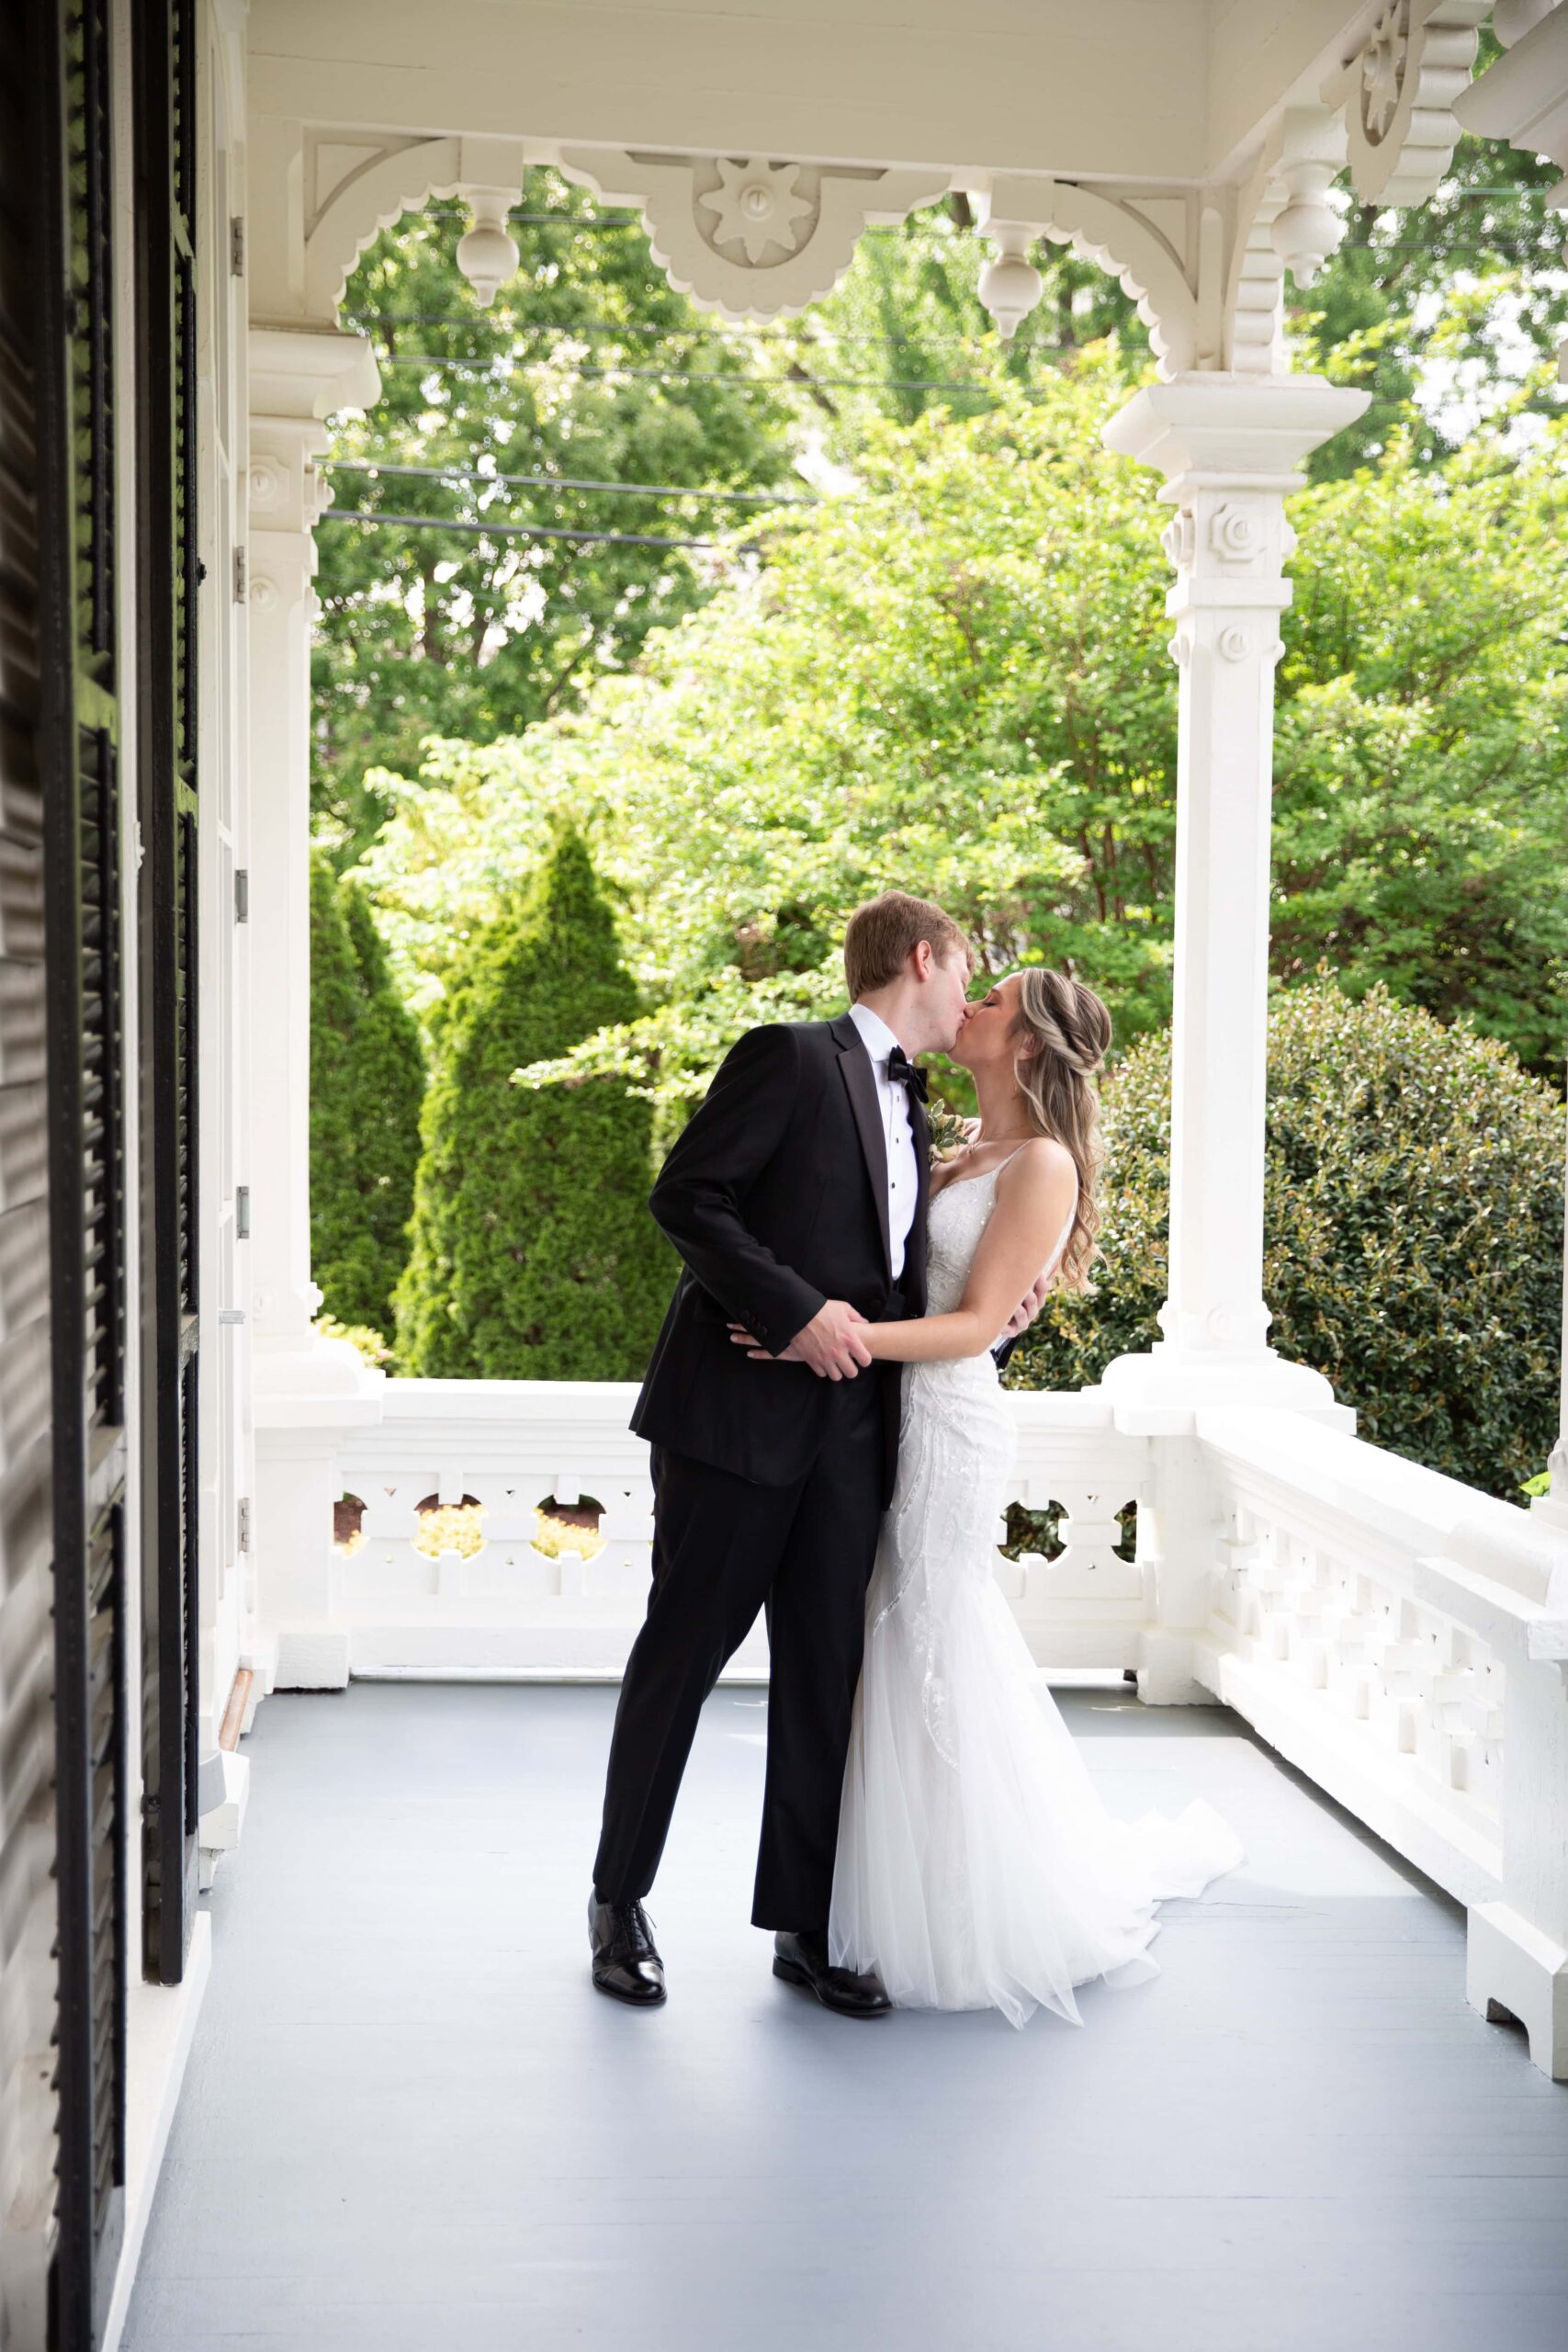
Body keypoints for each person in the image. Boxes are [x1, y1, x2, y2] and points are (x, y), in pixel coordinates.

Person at [733, 967, 1246, 2027]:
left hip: (948, 1421)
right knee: (872, 1647)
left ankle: (953, 1909)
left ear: (1027, 1046)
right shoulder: (952, 1144)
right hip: (879, 1417)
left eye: (994, 1002)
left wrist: (822, 1338)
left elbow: (969, 1328)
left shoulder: (1043, 1164)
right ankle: (841, 1904)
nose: (968, 1007)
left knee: (931, 1636)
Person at [587, 893, 1051, 2014]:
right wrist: (794, 1310)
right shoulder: (789, 1059)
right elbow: (689, 1196)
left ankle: (806, 1925)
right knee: (681, 1659)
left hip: (856, 1435)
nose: (968, 995)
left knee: (825, 1681)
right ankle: (617, 1904)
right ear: (924, 960)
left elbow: (904, 1273)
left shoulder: (926, 1112)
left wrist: (1001, 1308)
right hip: (735, 1426)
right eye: (965, 973)